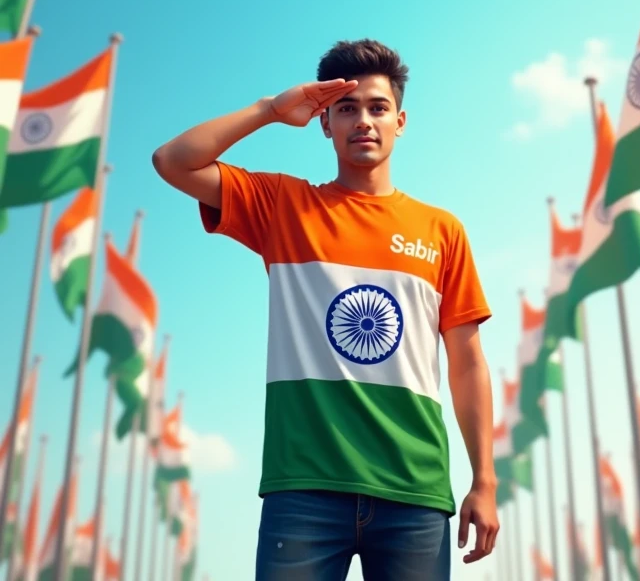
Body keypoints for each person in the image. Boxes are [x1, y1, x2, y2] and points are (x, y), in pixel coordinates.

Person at [152, 39, 499, 580]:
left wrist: (485, 481)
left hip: (414, 490)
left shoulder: (442, 231)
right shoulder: (283, 207)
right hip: (304, 490)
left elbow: (469, 363)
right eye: (347, 108)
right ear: (324, 122)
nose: (363, 121)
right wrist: (269, 110)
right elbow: (173, 161)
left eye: (377, 108)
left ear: (400, 121)